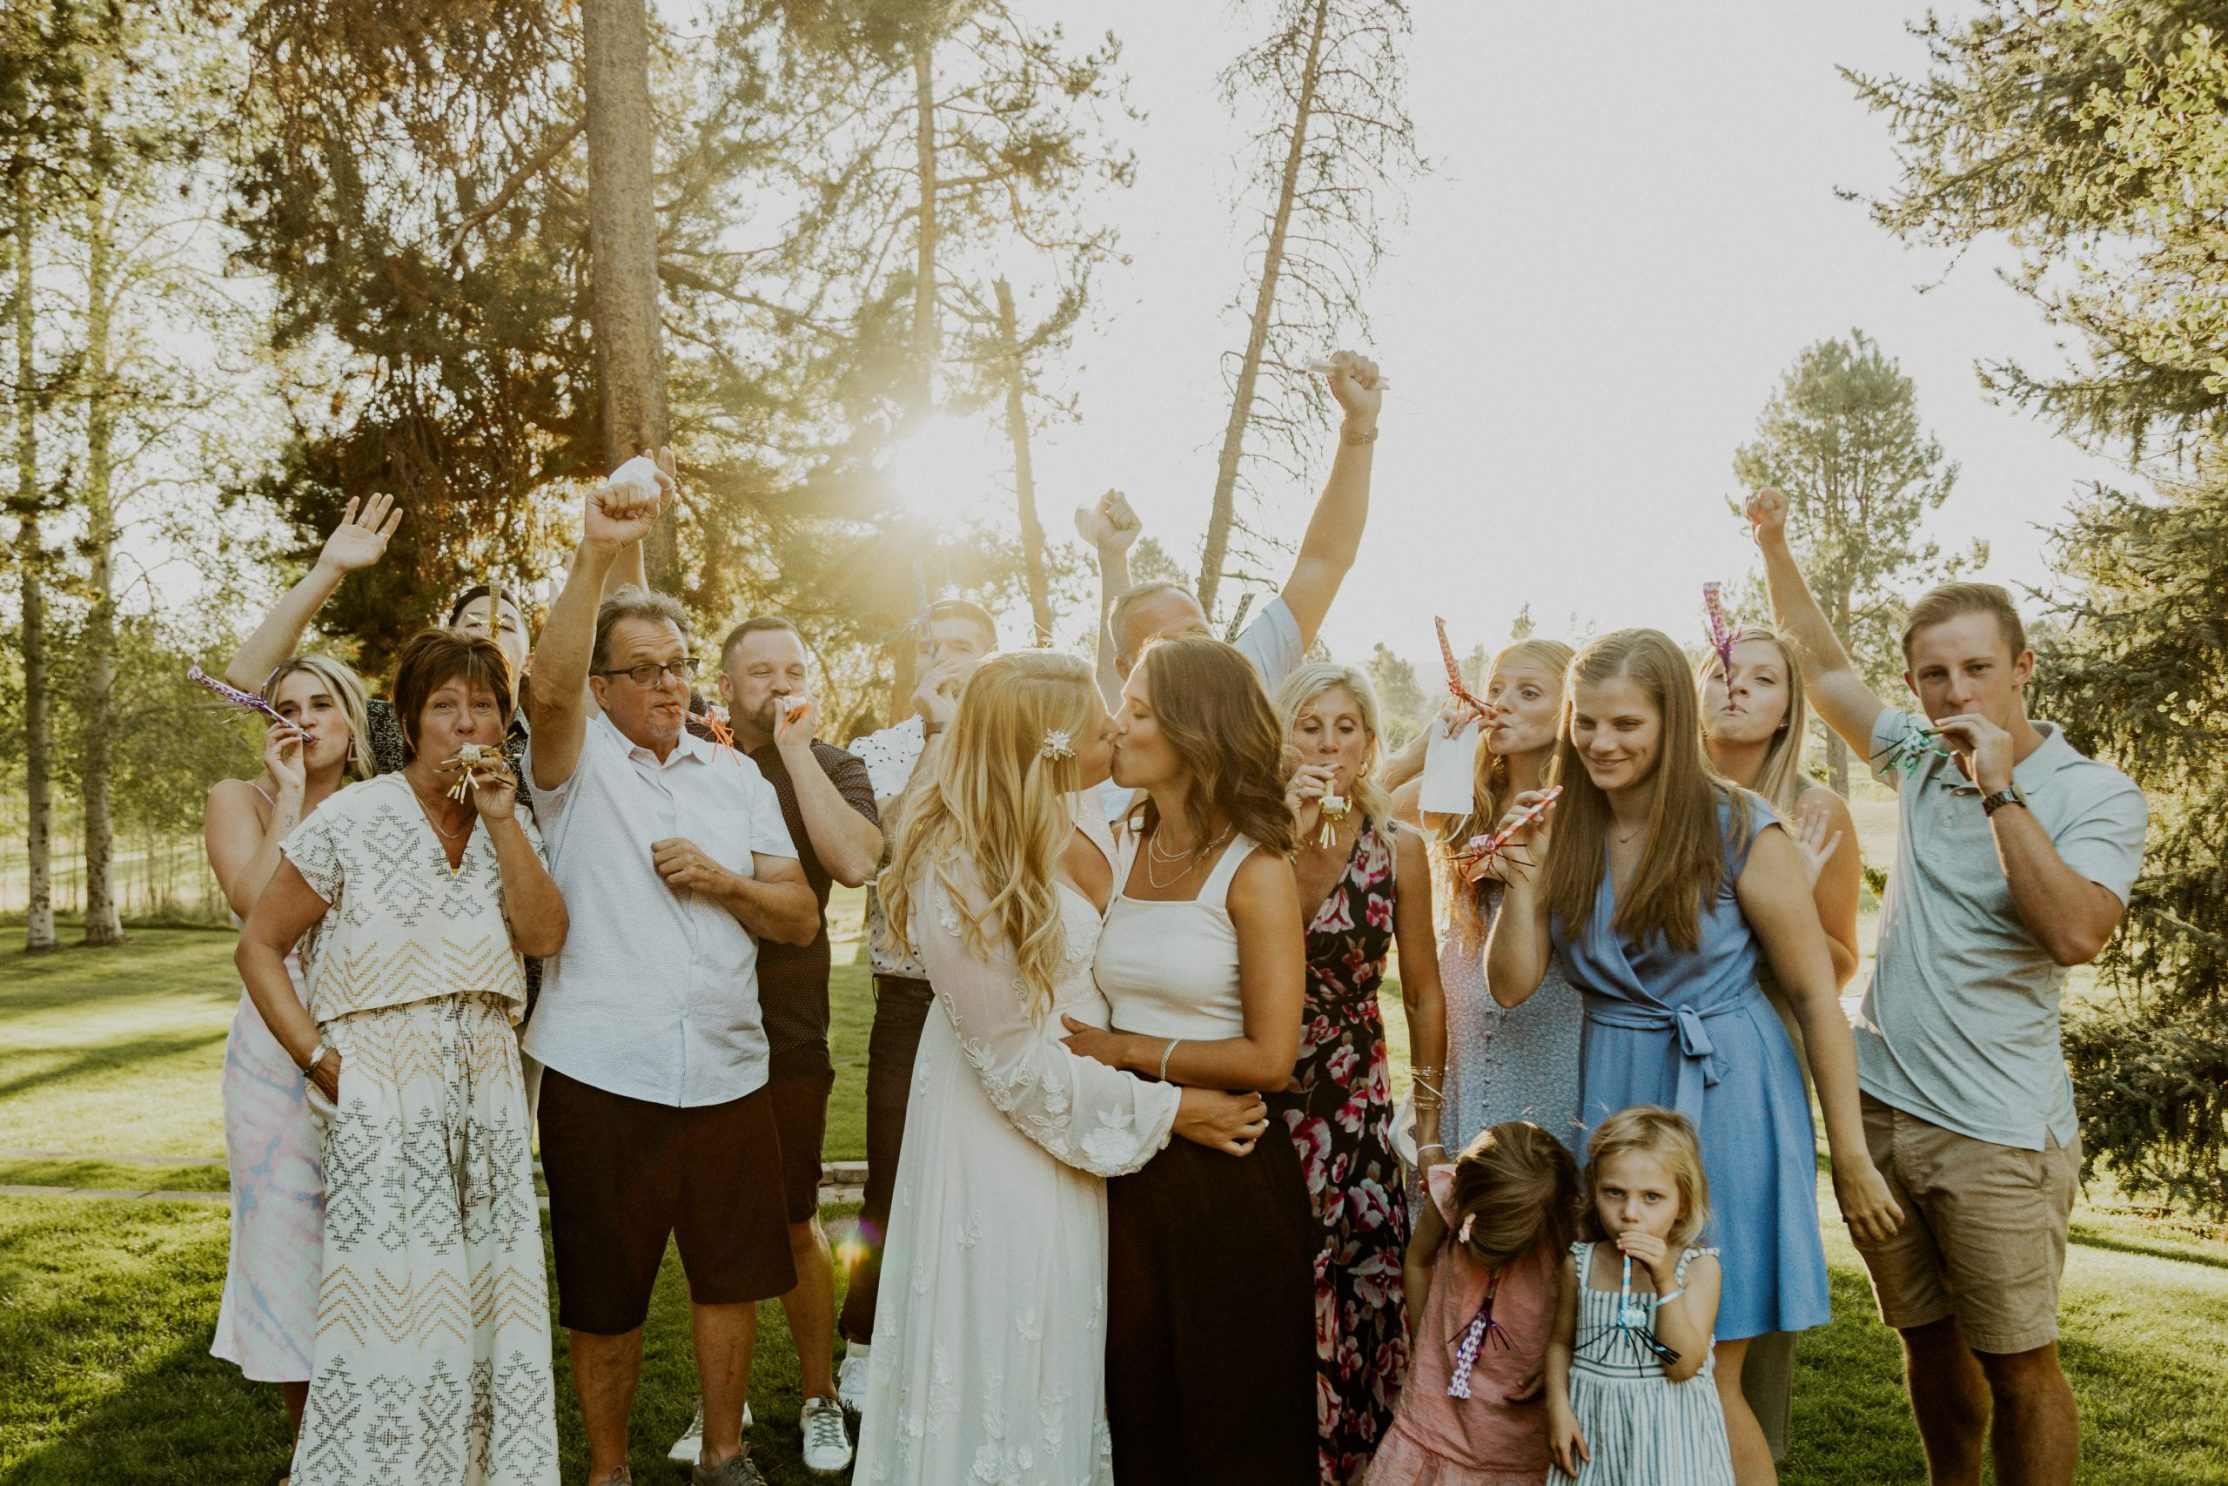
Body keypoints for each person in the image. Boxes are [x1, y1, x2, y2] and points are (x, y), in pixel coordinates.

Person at [1749, 487, 2148, 1486]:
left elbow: (2071, 931)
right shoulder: (1915, 752)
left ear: (2021, 668)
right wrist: (1771, 539)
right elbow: (1821, 662)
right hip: (1881, 1115)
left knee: (2020, 1370)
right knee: (1925, 1344)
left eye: (1975, 666)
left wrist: (1996, 786)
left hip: (1997, 1132)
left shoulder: (2090, 793)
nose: (1954, 688)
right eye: (1933, 674)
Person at [1486, 628, 1903, 1486]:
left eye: (1627, 724)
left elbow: (1819, 999)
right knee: (1618, 1351)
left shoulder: (1740, 826)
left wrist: (1851, 1158)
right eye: (1588, 723)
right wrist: (1520, 889)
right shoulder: (1561, 823)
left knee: (1707, 1370)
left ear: (1673, 722)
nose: (1603, 744)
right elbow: (1513, 986)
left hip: (1730, 1095)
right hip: (1614, 1094)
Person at [856, 650, 1272, 1482]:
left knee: (1063, 1347)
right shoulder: (959, 859)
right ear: (1046, 742)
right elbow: (1011, 1062)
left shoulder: (1088, 819)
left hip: (1084, 1130)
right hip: (997, 1141)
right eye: (1099, 714)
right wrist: (1176, 1109)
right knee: (1004, 1343)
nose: (1117, 722)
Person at [524, 473, 820, 1486]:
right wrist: (595, 550)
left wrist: (727, 881)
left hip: (731, 1073)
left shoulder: (733, 779)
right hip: (602, 1076)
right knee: (605, 1297)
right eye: (640, 670)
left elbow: (799, 914)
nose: (665, 683)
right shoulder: (572, 766)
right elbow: (544, 690)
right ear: (603, 687)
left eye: (677, 665)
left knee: (728, 1280)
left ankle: (724, 1458)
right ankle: (607, 1472)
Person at [234, 628, 569, 1486]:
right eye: (444, 707)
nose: (465, 724)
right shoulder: (353, 815)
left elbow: (544, 935)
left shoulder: (513, 819)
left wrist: (501, 821)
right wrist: (320, 1061)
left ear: (504, 722)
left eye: (483, 706)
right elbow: (260, 947)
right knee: (393, 1292)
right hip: (380, 1079)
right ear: (410, 722)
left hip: (489, 1083)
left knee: (489, 1287)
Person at [1061, 633, 1316, 1484]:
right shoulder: (1118, 838)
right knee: (1136, 1407)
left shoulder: (1255, 866)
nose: (1116, 724)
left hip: (1227, 1172)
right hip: (1128, 1156)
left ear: (1192, 730)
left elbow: (1272, 1058)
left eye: (1137, 710)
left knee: (1229, 1416)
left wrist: (1125, 1050)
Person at [665, 618, 882, 1476]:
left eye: (795, 668)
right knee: (712, 1228)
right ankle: (725, 1398)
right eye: (760, 671)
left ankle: (819, 1397)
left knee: (793, 1219)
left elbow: (858, 864)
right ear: (724, 681)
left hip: (788, 1032)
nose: (781, 683)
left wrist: (794, 753)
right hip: (694, 1023)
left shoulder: (833, 766)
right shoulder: (686, 757)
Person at [1276, 661, 1449, 1483]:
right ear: (1282, 735)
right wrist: (1287, 826)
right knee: (1270, 1275)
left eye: (1347, 727)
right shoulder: (1249, 836)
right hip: (1256, 1085)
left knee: (1357, 1279)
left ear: (1373, 742)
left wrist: (1432, 1120)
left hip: (1352, 1097)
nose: (1329, 742)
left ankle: (1354, 1460)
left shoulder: (1397, 848)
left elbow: (1422, 991)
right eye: (1311, 725)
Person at [1696, 624, 1864, 1463]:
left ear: (1789, 706)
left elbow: (1834, 962)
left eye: (1763, 679)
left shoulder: (1813, 810)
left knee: (1735, 1298)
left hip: (1754, 1060)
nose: (1738, 688)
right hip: (1646, 1056)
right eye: (1724, 672)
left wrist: (1779, 898)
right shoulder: (1652, 792)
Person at [202, 655, 376, 1442]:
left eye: (321, 703)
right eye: (286, 707)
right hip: (273, 1051)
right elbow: (254, 906)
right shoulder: (241, 799)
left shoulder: (389, 803)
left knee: (377, 1241)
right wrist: (295, 797)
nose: (303, 720)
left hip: (374, 1039)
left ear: (352, 716)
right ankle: (315, 1452)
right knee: (286, 1246)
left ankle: (385, 1437)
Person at [834, 596, 1000, 1409]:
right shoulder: (883, 749)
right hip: (911, 994)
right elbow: (884, 864)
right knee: (892, 1178)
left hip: (1003, 997)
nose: (949, 659)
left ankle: (969, 1342)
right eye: (933, 647)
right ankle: (865, 1342)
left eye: (965, 645)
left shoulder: (1021, 743)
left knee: (989, 1181)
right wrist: (937, 737)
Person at [1087, 350, 1385, 709]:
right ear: (1127, 672)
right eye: (1166, 646)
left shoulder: (1244, 677)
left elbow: (1324, 560)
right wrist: (1112, 558)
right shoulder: (1124, 736)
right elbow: (1107, 686)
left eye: (1199, 634)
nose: (1195, 654)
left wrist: (1359, 423)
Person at [1390, 639, 1585, 1153]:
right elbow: (1366, 813)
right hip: (1462, 1029)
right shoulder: (1463, 791)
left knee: (1524, 1181)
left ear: (1568, 710)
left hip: (1547, 1025)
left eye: (1528, 692)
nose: (1502, 703)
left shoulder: (1580, 810)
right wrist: (1425, 749)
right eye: (1495, 689)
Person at [1368, 1120, 1581, 1486]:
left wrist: (1558, 1363)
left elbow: (1583, 1307)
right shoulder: (1452, 1196)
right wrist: (1425, 1340)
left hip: (1516, 1413)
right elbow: (1417, 1262)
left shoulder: (1564, 1229)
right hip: (1438, 1403)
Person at [1546, 1106, 1733, 1486]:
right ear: (1595, 1191)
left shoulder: (1697, 1269)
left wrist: (1665, 1281)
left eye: (1652, 1197)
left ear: (1682, 1204)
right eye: (1614, 1193)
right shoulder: (1581, 1263)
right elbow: (1560, 1345)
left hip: (1668, 1444)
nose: (1630, 1213)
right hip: (1595, 1437)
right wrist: (1558, 1409)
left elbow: (1678, 1365)